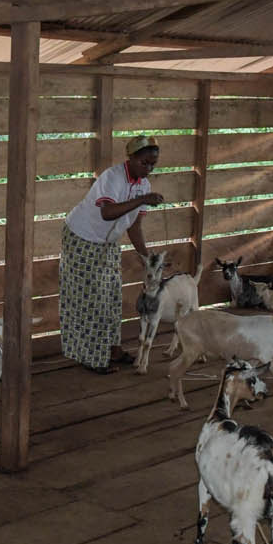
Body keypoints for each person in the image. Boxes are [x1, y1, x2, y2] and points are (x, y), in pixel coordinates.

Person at [60, 135, 165, 374]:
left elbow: (134, 227)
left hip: (107, 243)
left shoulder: (143, 185)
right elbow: (107, 213)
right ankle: (92, 357)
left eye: (153, 164)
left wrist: (148, 259)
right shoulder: (112, 178)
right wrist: (142, 199)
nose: (148, 169)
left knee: (112, 296)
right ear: (132, 158)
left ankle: (113, 349)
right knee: (91, 300)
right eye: (144, 163)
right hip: (82, 237)